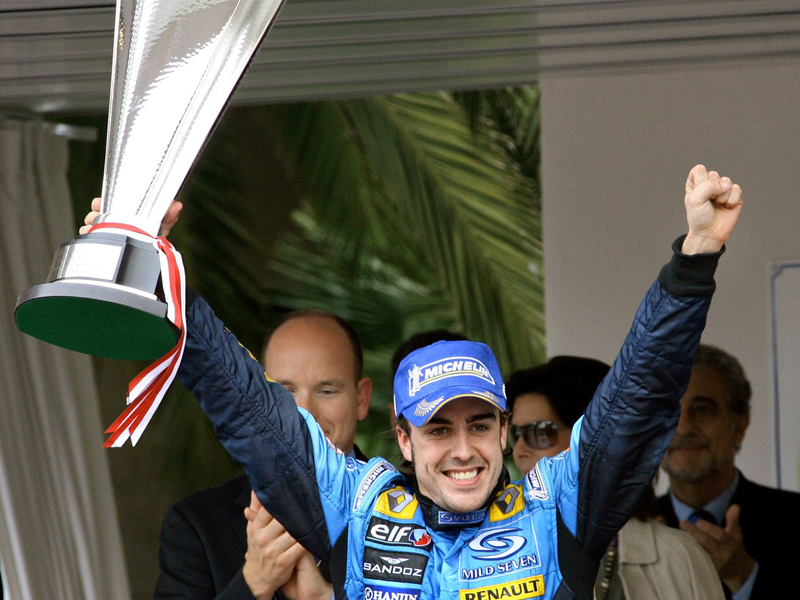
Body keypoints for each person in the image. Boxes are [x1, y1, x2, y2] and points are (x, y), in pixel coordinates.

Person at [171, 164, 741, 600]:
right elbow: (245, 403)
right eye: (438, 428)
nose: (463, 449)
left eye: (480, 424)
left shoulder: (554, 509)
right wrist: (164, 276)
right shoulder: (358, 505)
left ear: (501, 430)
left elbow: (635, 401)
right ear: (403, 438)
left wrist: (693, 262)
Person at [154, 309, 372, 600]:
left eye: (327, 391)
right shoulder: (196, 525)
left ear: (361, 399)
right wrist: (254, 583)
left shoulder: (414, 514)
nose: (304, 413)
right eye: (284, 393)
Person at [506, 356, 725, 600]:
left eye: (538, 432)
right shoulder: (498, 556)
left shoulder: (677, 555)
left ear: (597, 440)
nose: (519, 451)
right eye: (516, 434)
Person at [658, 344, 800, 600]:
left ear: (740, 425)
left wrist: (744, 577)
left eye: (702, 409)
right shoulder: (629, 533)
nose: (683, 428)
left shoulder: (793, 520)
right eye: (669, 411)